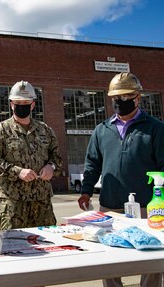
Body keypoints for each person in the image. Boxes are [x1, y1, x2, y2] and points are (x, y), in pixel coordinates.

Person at [78, 72, 164, 287]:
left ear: (138, 97)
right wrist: (86, 190)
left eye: (126, 96)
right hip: (111, 205)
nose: (120, 101)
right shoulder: (101, 130)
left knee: (151, 256)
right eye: (116, 97)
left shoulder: (155, 128)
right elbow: (92, 164)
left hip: (147, 206)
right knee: (109, 257)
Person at [0, 81, 62, 230]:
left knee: (49, 246)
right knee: (11, 247)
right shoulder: (0, 131)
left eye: (26, 103)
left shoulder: (45, 130)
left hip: (42, 204)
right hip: (12, 204)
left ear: (32, 105)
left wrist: (51, 167)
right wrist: (17, 172)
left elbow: (56, 158)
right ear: (12, 104)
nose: (22, 106)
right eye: (18, 102)